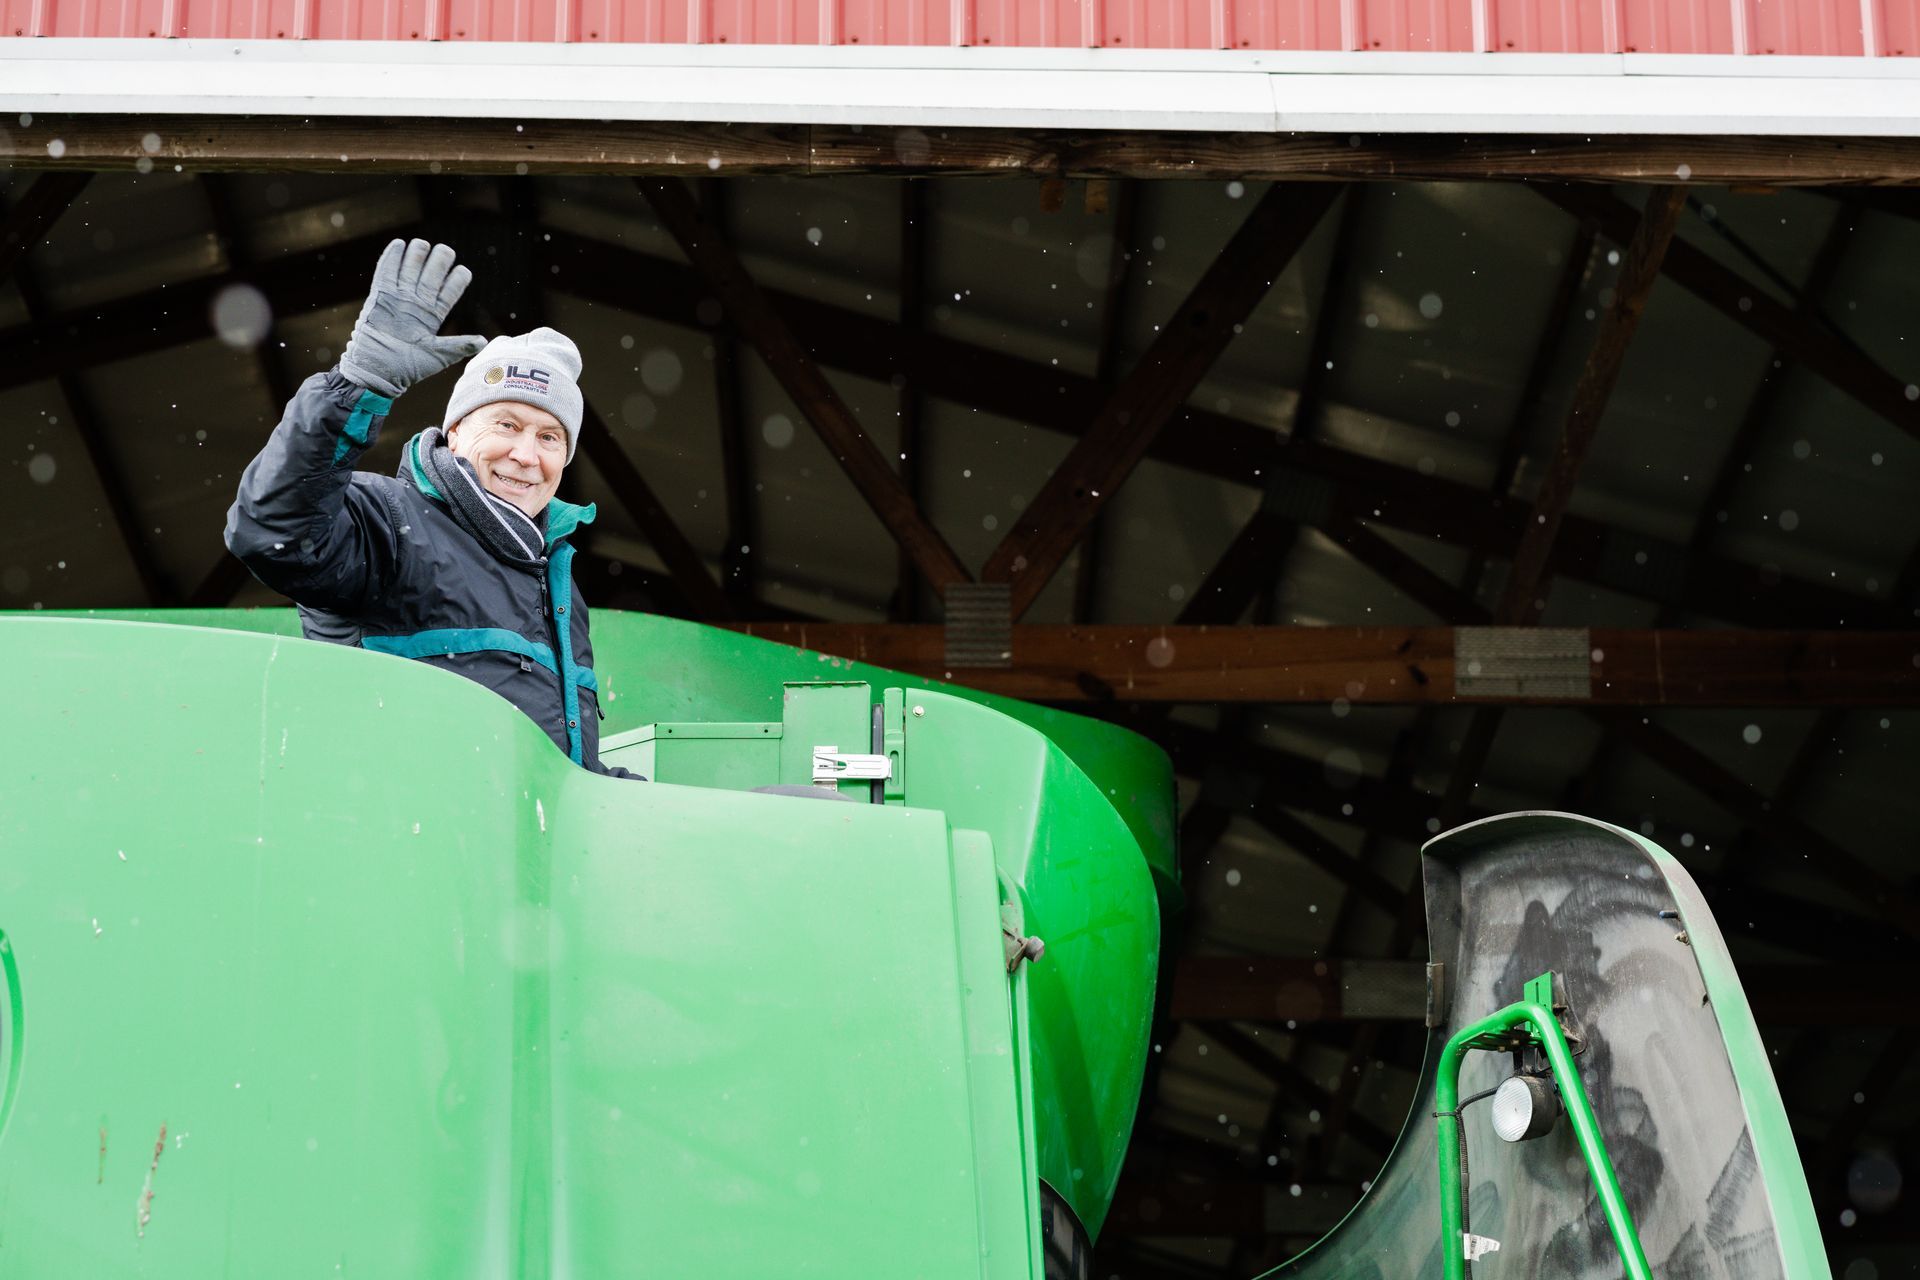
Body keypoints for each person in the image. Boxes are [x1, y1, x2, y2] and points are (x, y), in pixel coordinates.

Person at [225, 238, 636, 777]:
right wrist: (357, 384)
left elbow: (562, 773)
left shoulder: (556, 583)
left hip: (514, 853)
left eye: (550, 437)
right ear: (458, 431)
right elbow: (271, 528)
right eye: (507, 425)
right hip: (407, 840)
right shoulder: (386, 521)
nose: (526, 455)